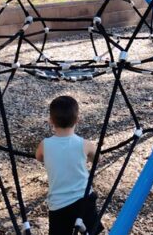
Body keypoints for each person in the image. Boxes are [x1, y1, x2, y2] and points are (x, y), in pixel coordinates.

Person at [36, 96, 103, 234]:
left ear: (51, 121)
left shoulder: (45, 144)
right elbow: (97, 159)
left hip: (59, 204)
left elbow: (39, 157)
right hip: (84, 199)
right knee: (92, 231)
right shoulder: (85, 144)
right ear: (77, 120)